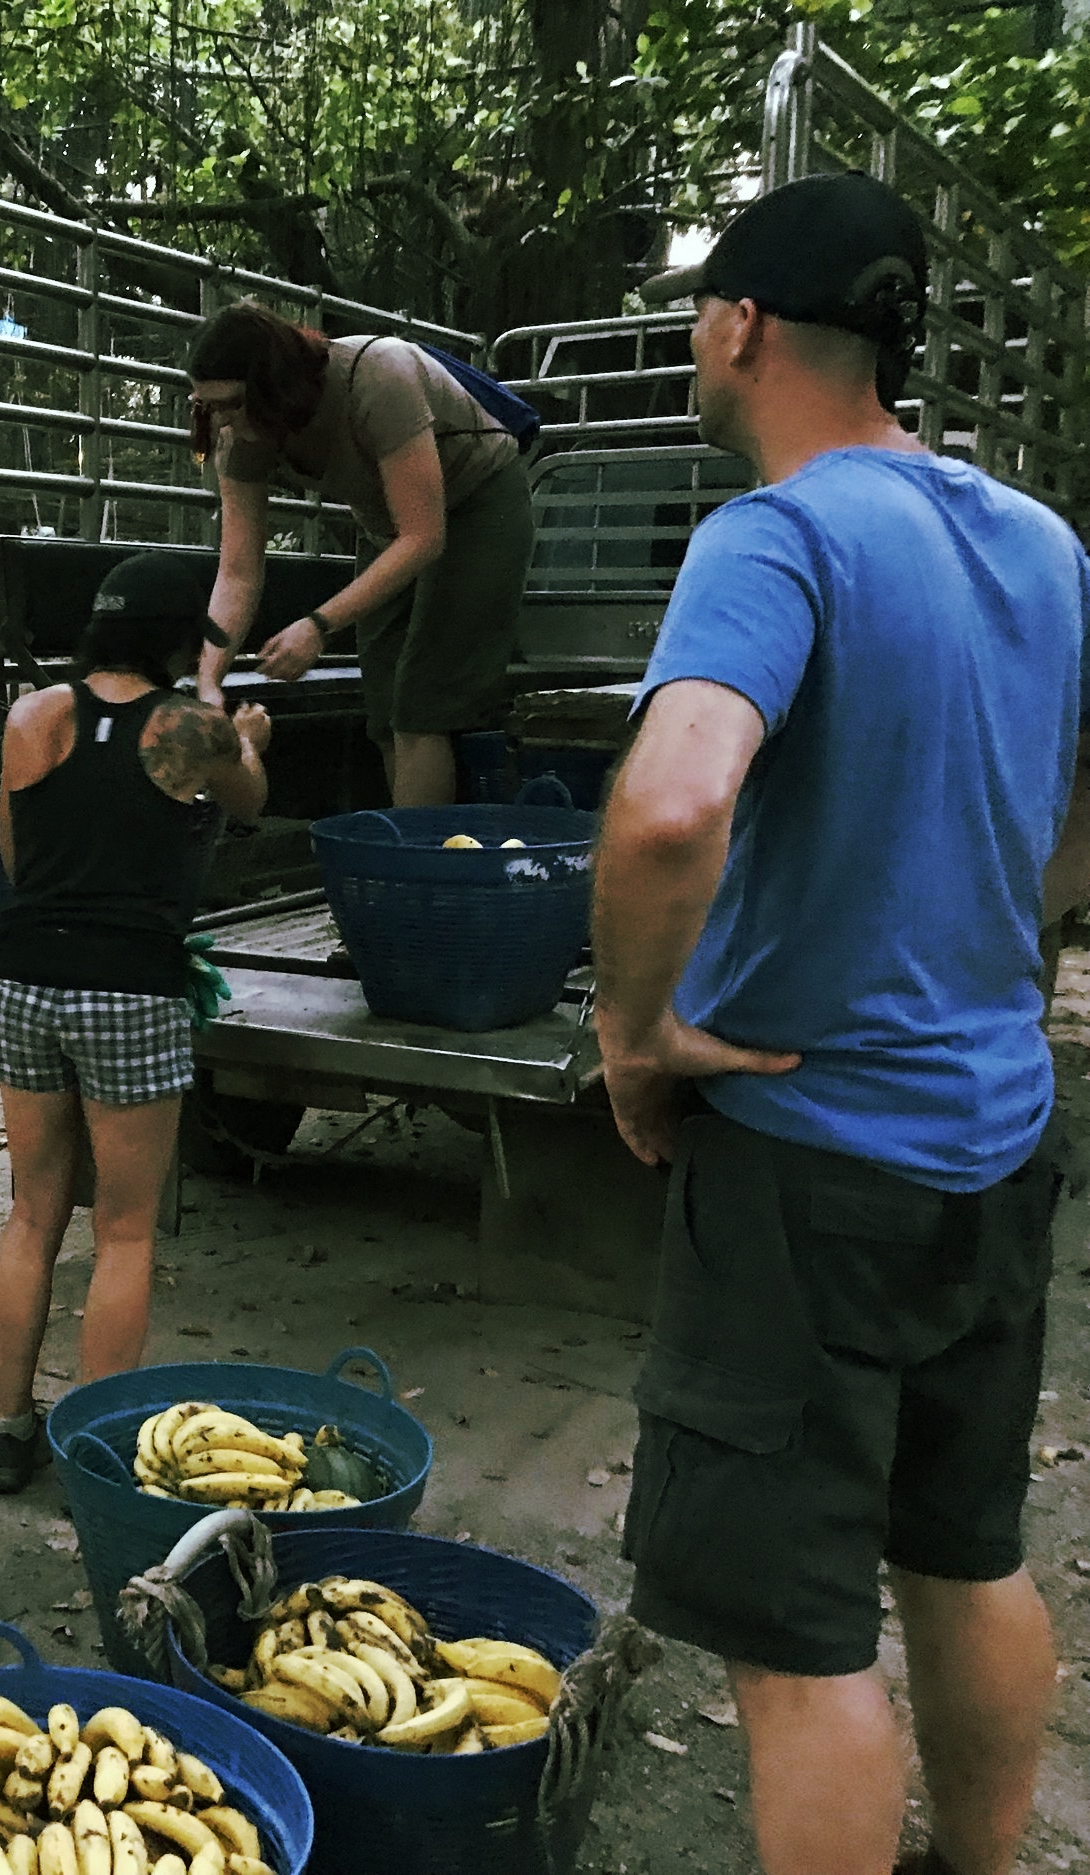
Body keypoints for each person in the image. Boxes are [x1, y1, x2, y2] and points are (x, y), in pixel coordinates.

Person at [592, 174, 1090, 1875]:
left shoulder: (777, 535)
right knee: (968, 1555)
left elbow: (670, 811)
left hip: (811, 1163)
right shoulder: (1040, 543)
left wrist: (634, 1031)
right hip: (997, 1138)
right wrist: (1014, 938)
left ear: (740, 325)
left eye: (692, 314)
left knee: (802, 1651)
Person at [0, 554, 271, 1492]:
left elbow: (16, 860)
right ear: (175, 642)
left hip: (25, 977)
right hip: (132, 991)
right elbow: (249, 803)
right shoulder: (191, 728)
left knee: (30, 1211)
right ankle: (97, 1457)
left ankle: (4, 1431)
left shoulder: (32, 715)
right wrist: (249, 738)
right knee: (127, 1229)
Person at [187, 301, 532, 806]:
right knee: (386, 708)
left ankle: (417, 869)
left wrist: (318, 624)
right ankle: (406, 845)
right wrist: (208, 680)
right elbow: (238, 572)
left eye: (230, 402)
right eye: (205, 405)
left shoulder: (378, 379)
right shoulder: (237, 436)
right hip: (388, 529)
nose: (219, 418)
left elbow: (424, 536)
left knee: (422, 706)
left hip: (478, 504)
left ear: (272, 386)